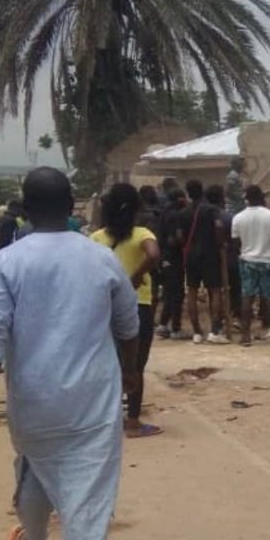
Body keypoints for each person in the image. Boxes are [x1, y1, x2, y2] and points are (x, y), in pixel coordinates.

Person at [0, 167, 140, 540]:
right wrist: (132, 376)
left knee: (35, 465)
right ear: (72, 206)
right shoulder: (101, 257)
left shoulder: (6, 262)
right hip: (93, 400)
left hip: (34, 402)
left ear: (26, 210)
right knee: (87, 497)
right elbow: (128, 327)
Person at [90, 184, 163, 439]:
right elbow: (154, 254)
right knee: (136, 365)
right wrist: (137, 275)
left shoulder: (97, 238)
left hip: (105, 308)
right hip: (138, 306)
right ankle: (133, 421)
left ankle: (106, 418)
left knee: (107, 364)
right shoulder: (143, 234)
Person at [232, 185, 270, 347]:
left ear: (246, 198)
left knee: (247, 298)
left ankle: (245, 336)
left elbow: (235, 244)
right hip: (268, 261)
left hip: (247, 260)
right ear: (262, 197)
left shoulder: (238, 218)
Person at [176, 180, 228, 344]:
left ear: (188, 193)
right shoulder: (211, 210)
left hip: (191, 257)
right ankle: (214, 330)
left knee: (191, 291)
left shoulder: (183, 213)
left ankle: (196, 332)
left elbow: (179, 236)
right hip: (210, 254)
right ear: (202, 191)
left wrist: (186, 246)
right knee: (215, 291)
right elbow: (219, 228)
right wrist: (220, 243)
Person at [156, 186, 189, 339]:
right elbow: (176, 238)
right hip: (174, 257)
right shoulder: (176, 216)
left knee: (169, 292)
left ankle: (163, 325)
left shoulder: (163, 214)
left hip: (164, 257)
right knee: (177, 293)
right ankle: (176, 328)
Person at [207, 184, 241, 332]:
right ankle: (235, 316)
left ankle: (217, 322)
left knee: (214, 291)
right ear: (222, 198)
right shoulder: (229, 217)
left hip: (210, 260)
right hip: (231, 258)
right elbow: (236, 240)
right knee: (236, 289)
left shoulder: (202, 216)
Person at [137, 185, 163, 317]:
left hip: (135, 255)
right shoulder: (157, 214)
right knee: (153, 286)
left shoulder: (133, 215)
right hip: (153, 253)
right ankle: (150, 316)